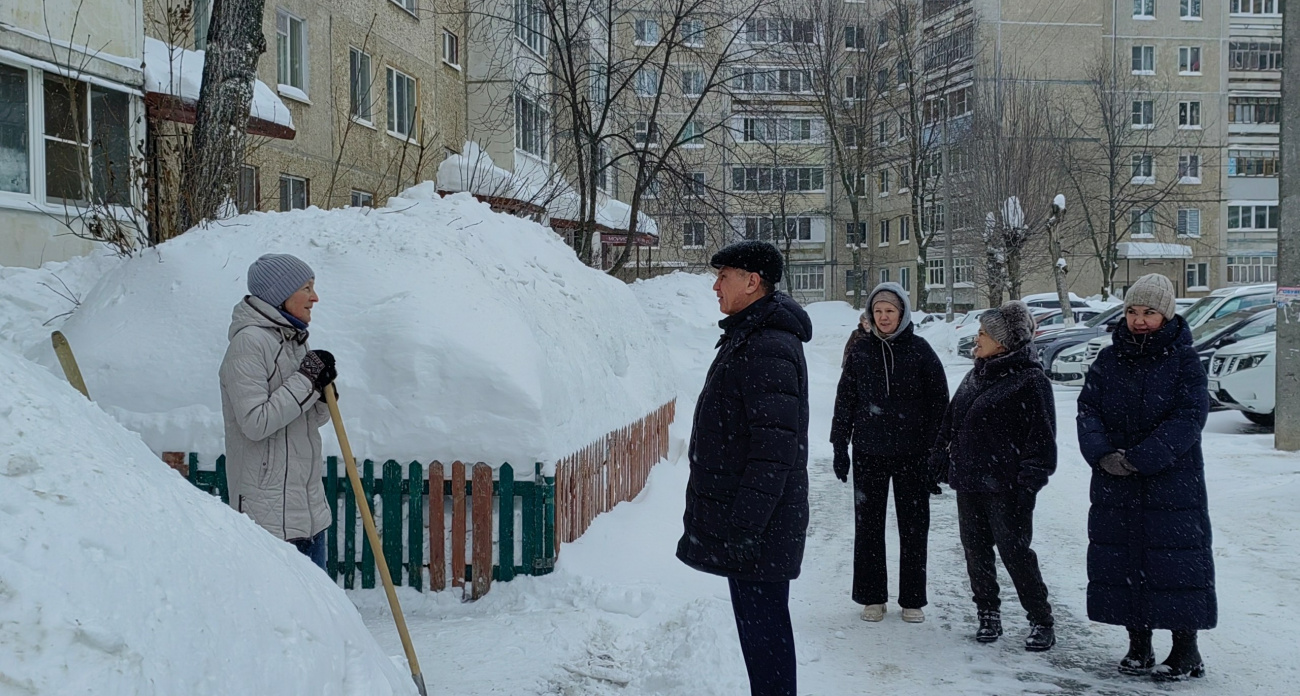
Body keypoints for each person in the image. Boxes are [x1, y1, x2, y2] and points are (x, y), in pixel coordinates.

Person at [677, 240, 811, 696]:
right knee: (762, 639)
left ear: (752, 282)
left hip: (760, 530)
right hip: (754, 527)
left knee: (766, 641)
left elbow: (775, 451)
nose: (715, 286)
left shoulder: (767, 345)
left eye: (724, 275)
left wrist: (745, 527)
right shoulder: (751, 336)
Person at [1076, 273, 1214, 682]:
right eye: (1133, 311)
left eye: (1149, 313)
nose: (1139, 320)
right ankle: (1138, 644)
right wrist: (1103, 455)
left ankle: (1185, 649)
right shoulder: (1108, 359)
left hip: (1171, 481)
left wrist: (1143, 458)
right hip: (1115, 479)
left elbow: (1189, 417)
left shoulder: (1184, 361)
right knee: (1124, 562)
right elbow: (1088, 411)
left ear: (1166, 314)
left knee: (1175, 566)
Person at [930, 300, 1057, 651]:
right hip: (970, 481)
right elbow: (950, 420)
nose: (977, 339)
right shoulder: (977, 373)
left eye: (984, 333)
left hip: (1007, 487)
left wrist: (1028, 485)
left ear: (1004, 342)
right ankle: (988, 613)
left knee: (1015, 553)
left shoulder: (1031, 381)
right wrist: (939, 458)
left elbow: (1042, 442)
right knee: (976, 551)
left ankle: (1041, 619)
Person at [830, 283, 949, 624]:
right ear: (870, 314)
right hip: (869, 452)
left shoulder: (921, 351)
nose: (883, 317)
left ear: (903, 314)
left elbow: (940, 404)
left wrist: (937, 452)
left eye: (890, 311)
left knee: (914, 527)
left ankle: (913, 599)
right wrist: (840, 445)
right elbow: (845, 402)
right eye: (878, 311)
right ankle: (872, 597)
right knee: (868, 526)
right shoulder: (861, 352)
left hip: (912, 455)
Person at [220, 254, 337, 570]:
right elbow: (255, 422)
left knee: (318, 615)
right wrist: (306, 381)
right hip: (270, 519)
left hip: (308, 511)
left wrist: (323, 396)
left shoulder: (294, 341)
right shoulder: (248, 344)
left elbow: (312, 420)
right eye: (306, 288)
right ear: (279, 295)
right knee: (287, 617)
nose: (315, 297)